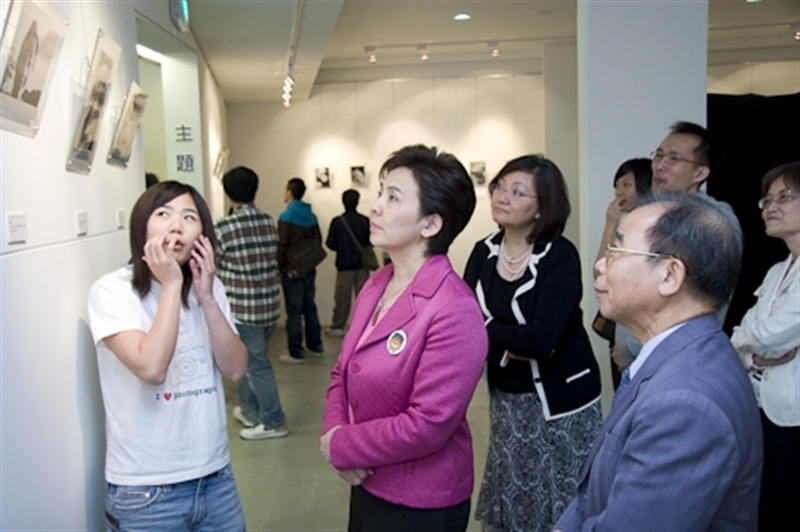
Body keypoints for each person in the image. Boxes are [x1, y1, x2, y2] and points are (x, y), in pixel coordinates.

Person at [555, 192, 762, 531]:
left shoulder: (686, 403)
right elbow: (592, 495)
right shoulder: (678, 354)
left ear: (669, 275)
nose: (601, 264)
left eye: (616, 250)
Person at [320, 145, 488, 531]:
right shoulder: (378, 283)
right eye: (380, 192)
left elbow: (429, 423)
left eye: (393, 197)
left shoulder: (454, 308)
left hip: (420, 499)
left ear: (430, 225)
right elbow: (342, 372)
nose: (375, 207)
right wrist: (335, 434)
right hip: (366, 479)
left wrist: (343, 445)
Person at [87, 181, 247, 530]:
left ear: (202, 235)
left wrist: (207, 298)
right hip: (145, 491)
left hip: (216, 479)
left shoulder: (210, 288)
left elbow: (236, 369)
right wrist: (172, 285)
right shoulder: (112, 290)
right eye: (164, 214)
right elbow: (151, 368)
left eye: (189, 217)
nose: (176, 226)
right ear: (141, 225)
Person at [463, 155, 602, 532]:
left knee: (563, 499)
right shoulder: (483, 252)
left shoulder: (560, 255)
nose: (502, 196)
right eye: (500, 186)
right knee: (517, 495)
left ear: (542, 208)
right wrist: (511, 339)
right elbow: (463, 324)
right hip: (508, 401)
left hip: (563, 402)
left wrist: (488, 327)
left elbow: (541, 340)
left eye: (518, 191)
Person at [615, 121, 742, 367]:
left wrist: (632, 347)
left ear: (700, 173)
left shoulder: (713, 221)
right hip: (636, 355)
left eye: (673, 159)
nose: (660, 165)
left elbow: (695, 300)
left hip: (679, 359)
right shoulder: (651, 212)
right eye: (658, 155)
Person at [731, 161, 800, 531]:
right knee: (765, 510)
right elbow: (744, 334)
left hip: (794, 413)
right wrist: (752, 355)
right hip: (761, 407)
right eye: (767, 200)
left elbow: (775, 333)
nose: (771, 206)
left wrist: (748, 345)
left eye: (784, 197)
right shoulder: (776, 270)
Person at [215, 166, 288, 440]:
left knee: (256, 365)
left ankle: (273, 421)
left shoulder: (224, 227)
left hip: (244, 309)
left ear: (228, 192)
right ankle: (248, 410)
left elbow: (212, 265)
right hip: (269, 305)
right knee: (251, 361)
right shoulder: (267, 221)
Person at [592, 158, 652, 387]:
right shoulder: (623, 224)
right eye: (616, 186)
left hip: (639, 337)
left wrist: (630, 346)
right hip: (621, 331)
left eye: (627, 185)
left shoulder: (654, 227)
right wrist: (610, 225)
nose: (619, 192)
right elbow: (600, 273)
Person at [277, 177, 324, 363]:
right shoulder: (312, 216)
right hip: (309, 268)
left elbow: (282, 245)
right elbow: (318, 241)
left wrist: (279, 266)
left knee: (294, 311)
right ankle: (315, 345)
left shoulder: (286, 216)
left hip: (291, 270)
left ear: (290, 192)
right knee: (310, 307)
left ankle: (296, 351)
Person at [325, 189, 371, 337]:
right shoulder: (365, 221)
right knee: (364, 299)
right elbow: (370, 241)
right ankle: (363, 327)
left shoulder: (337, 222)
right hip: (362, 265)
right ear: (357, 202)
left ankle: (338, 327)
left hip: (344, 266)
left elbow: (330, 244)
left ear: (343, 202)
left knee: (342, 299)